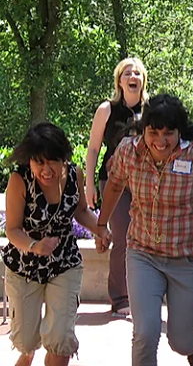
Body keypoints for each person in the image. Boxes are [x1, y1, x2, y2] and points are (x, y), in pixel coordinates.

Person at [96, 94, 193, 366]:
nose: (160, 141)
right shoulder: (128, 151)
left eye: (168, 133)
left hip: (188, 259)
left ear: (179, 132)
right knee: (145, 333)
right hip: (143, 254)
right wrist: (102, 225)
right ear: (144, 129)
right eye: (153, 132)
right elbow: (114, 184)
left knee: (181, 341)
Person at [2, 122, 105, 366]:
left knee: (60, 340)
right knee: (27, 344)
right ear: (30, 161)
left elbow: (80, 211)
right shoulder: (20, 180)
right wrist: (35, 246)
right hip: (24, 267)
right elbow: (12, 229)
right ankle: (27, 354)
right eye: (39, 163)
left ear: (63, 159)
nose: (46, 170)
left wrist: (101, 230)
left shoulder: (74, 174)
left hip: (64, 263)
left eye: (53, 162)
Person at [86, 57, 148, 317]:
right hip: (114, 182)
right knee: (122, 237)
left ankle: (143, 295)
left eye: (137, 73)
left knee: (145, 240)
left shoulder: (152, 109)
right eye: (127, 73)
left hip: (146, 182)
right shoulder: (107, 109)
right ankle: (120, 297)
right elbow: (93, 148)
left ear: (142, 80)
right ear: (120, 81)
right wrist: (89, 184)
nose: (132, 77)